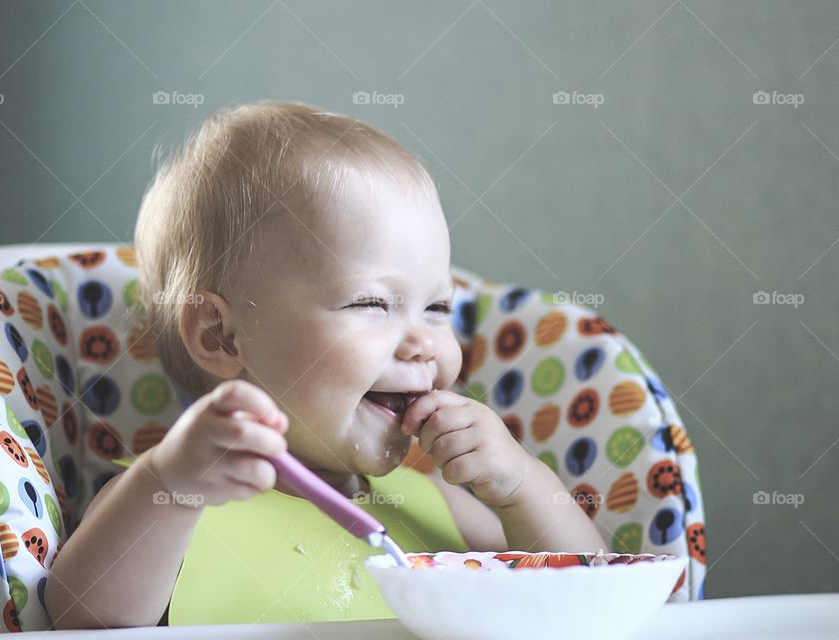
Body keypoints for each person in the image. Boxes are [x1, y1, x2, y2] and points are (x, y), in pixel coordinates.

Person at [45, 100, 604, 629]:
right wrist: (171, 477)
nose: (424, 344)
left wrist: (521, 486)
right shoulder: (169, 500)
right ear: (220, 335)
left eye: (437, 307)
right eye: (372, 303)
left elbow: (593, 602)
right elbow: (80, 624)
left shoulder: (439, 507)